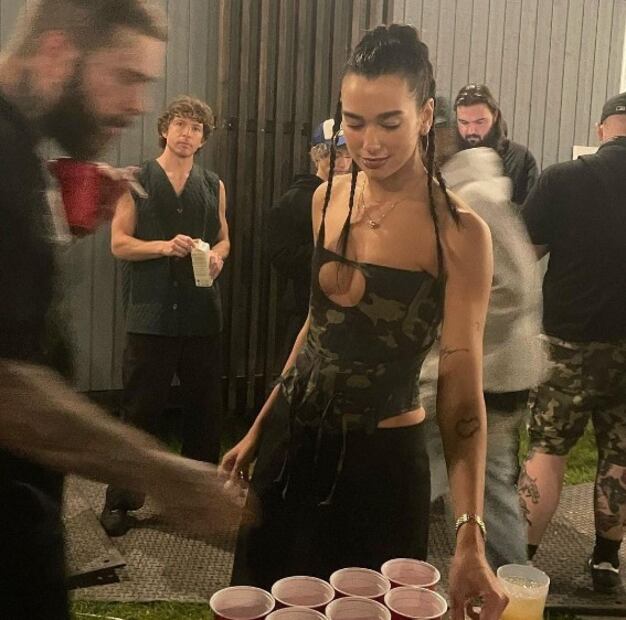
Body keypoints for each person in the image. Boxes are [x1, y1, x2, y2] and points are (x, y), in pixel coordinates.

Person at [222, 24, 507, 619]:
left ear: (425, 116)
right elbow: (316, 327)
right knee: (266, 602)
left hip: (381, 465)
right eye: (353, 122)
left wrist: (470, 533)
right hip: (291, 449)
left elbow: (461, 388)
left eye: (388, 123)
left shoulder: (459, 232)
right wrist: (259, 427)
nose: (369, 142)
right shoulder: (326, 198)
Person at [0, 3, 244, 618]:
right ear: (58, 52)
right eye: (127, 77)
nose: (140, 105)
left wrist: (68, 223)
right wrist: (165, 474)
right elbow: (7, 388)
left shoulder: (24, 149)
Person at [100, 95, 230, 536]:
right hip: (150, 316)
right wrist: (162, 246)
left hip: (201, 316)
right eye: (180, 124)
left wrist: (218, 256)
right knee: (139, 412)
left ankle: (201, 503)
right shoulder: (137, 181)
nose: (187, 133)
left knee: (204, 414)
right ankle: (121, 500)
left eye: (196, 128)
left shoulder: (213, 185)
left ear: (203, 139)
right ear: (164, 129)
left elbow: (224, 238)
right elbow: (119, 243)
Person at [518, 92, 626, 594]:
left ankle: (522, 561)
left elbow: (523, 257)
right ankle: (605, 563)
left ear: (603, 129)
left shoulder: (563, 179)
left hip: (567, 344)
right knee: (621, 454)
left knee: (548, 448)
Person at [422, 130, 545, 569]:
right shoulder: (461, 192)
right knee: (485, 489)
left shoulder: (473, 198)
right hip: (487, 371)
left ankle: (505, 582)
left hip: (487, 375)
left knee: (465, 487)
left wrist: (451, 335)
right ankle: (507, 582)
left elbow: (517, 287)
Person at [267, 119, 351, 363]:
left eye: (348, 155)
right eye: (334, 155)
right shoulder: (295, 200)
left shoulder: (355, 196)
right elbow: (280, 255)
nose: (342, 163)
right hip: (305, 306)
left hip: (347, 309)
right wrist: (329, 254)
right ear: (318, 156)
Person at [454, 83, 538, 206]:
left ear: (495, 116)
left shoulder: (520, 159)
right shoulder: (445, 157)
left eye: (480, 122)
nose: (471, 131)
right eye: (464, 122)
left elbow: (531, 211)